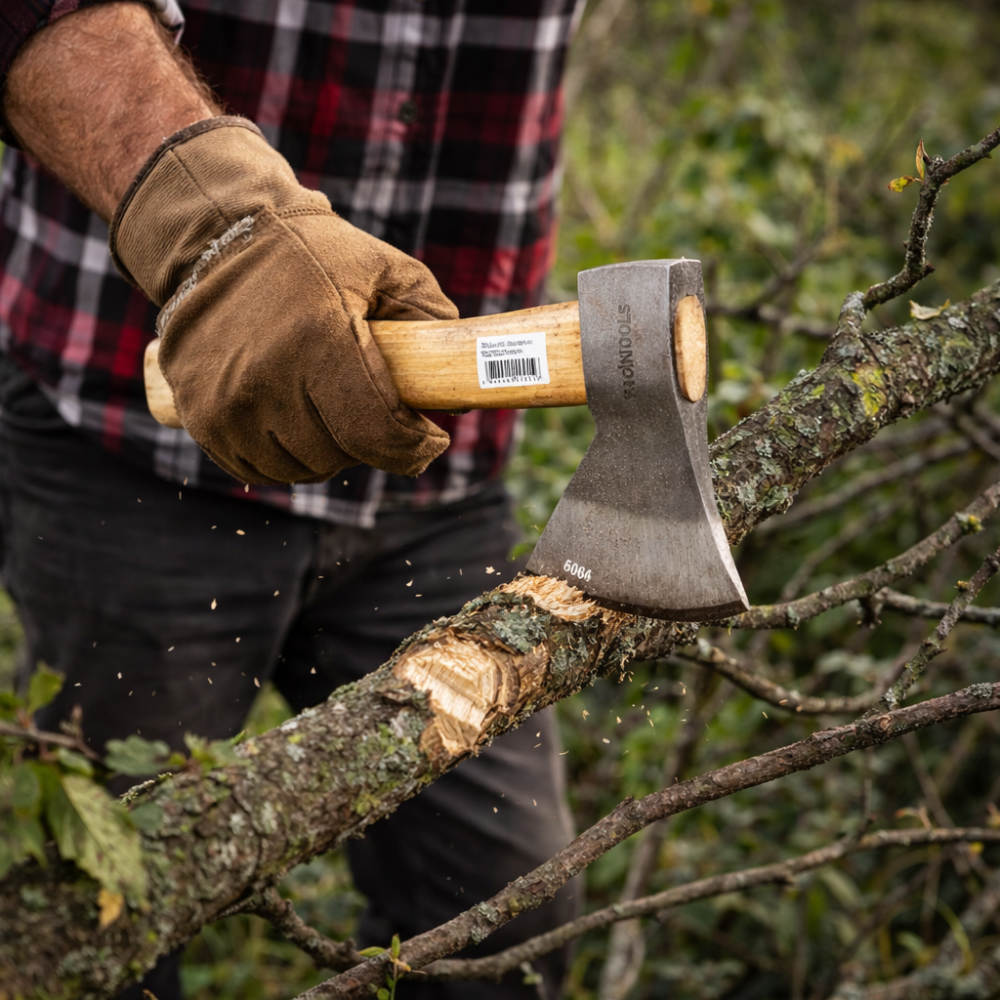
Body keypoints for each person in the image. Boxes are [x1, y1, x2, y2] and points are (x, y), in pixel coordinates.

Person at [0, 1, 584, 997]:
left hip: (431, 473)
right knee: (97, 922)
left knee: (505, 920)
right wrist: (210, 224)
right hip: (136, 443)